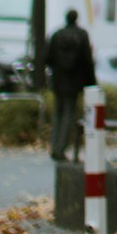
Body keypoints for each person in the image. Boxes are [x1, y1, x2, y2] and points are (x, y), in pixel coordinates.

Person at [45, 10, 96, 163]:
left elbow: (47, 57)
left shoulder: (56, 35)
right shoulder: (81, 36)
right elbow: (88, 61)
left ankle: (54, 146)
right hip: (74, 81)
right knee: (69, 113)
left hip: (58, 80)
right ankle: (61, 148)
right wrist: (91, 83)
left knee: (58, 113)